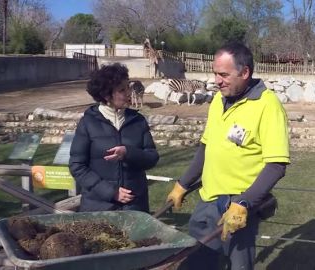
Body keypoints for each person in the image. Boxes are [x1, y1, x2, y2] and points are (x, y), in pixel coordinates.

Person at [166, 42, 290, 270]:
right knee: (197, 263)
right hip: (207, 200)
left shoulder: (267, 105)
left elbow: (276, 165)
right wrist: (182, 185)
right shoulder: (217, 100)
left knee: (238, 266)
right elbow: (206, 148)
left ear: (245, 73)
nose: (217, 80)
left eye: (224, 74)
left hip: (239, 209)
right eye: (215, 73)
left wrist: (243, 203)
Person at [69, 63, 159, 213]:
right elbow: (77, 166)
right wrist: (110, 192)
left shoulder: (138, 121)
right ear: (106, 96)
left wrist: (128, 153)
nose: (129, 92)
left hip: (134, 207)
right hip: (98, 208)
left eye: (128, 87)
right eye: (122, 90)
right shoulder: (88, 123)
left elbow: (152, 157)